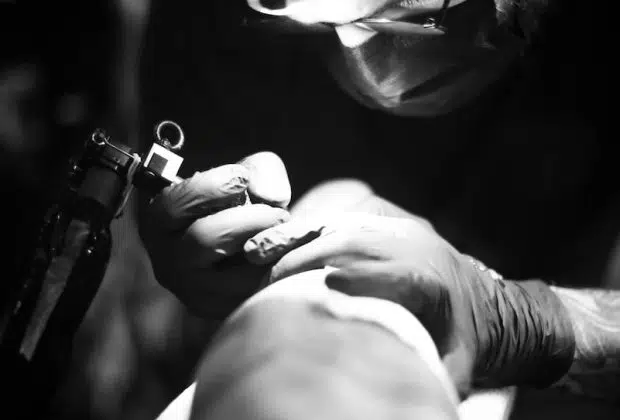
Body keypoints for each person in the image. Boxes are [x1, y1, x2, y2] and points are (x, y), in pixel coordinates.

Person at [138, 0, 615, 417]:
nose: (352, 42)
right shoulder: (213, 21)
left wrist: (535, 324)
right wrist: (197, 242)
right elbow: (180, 172)